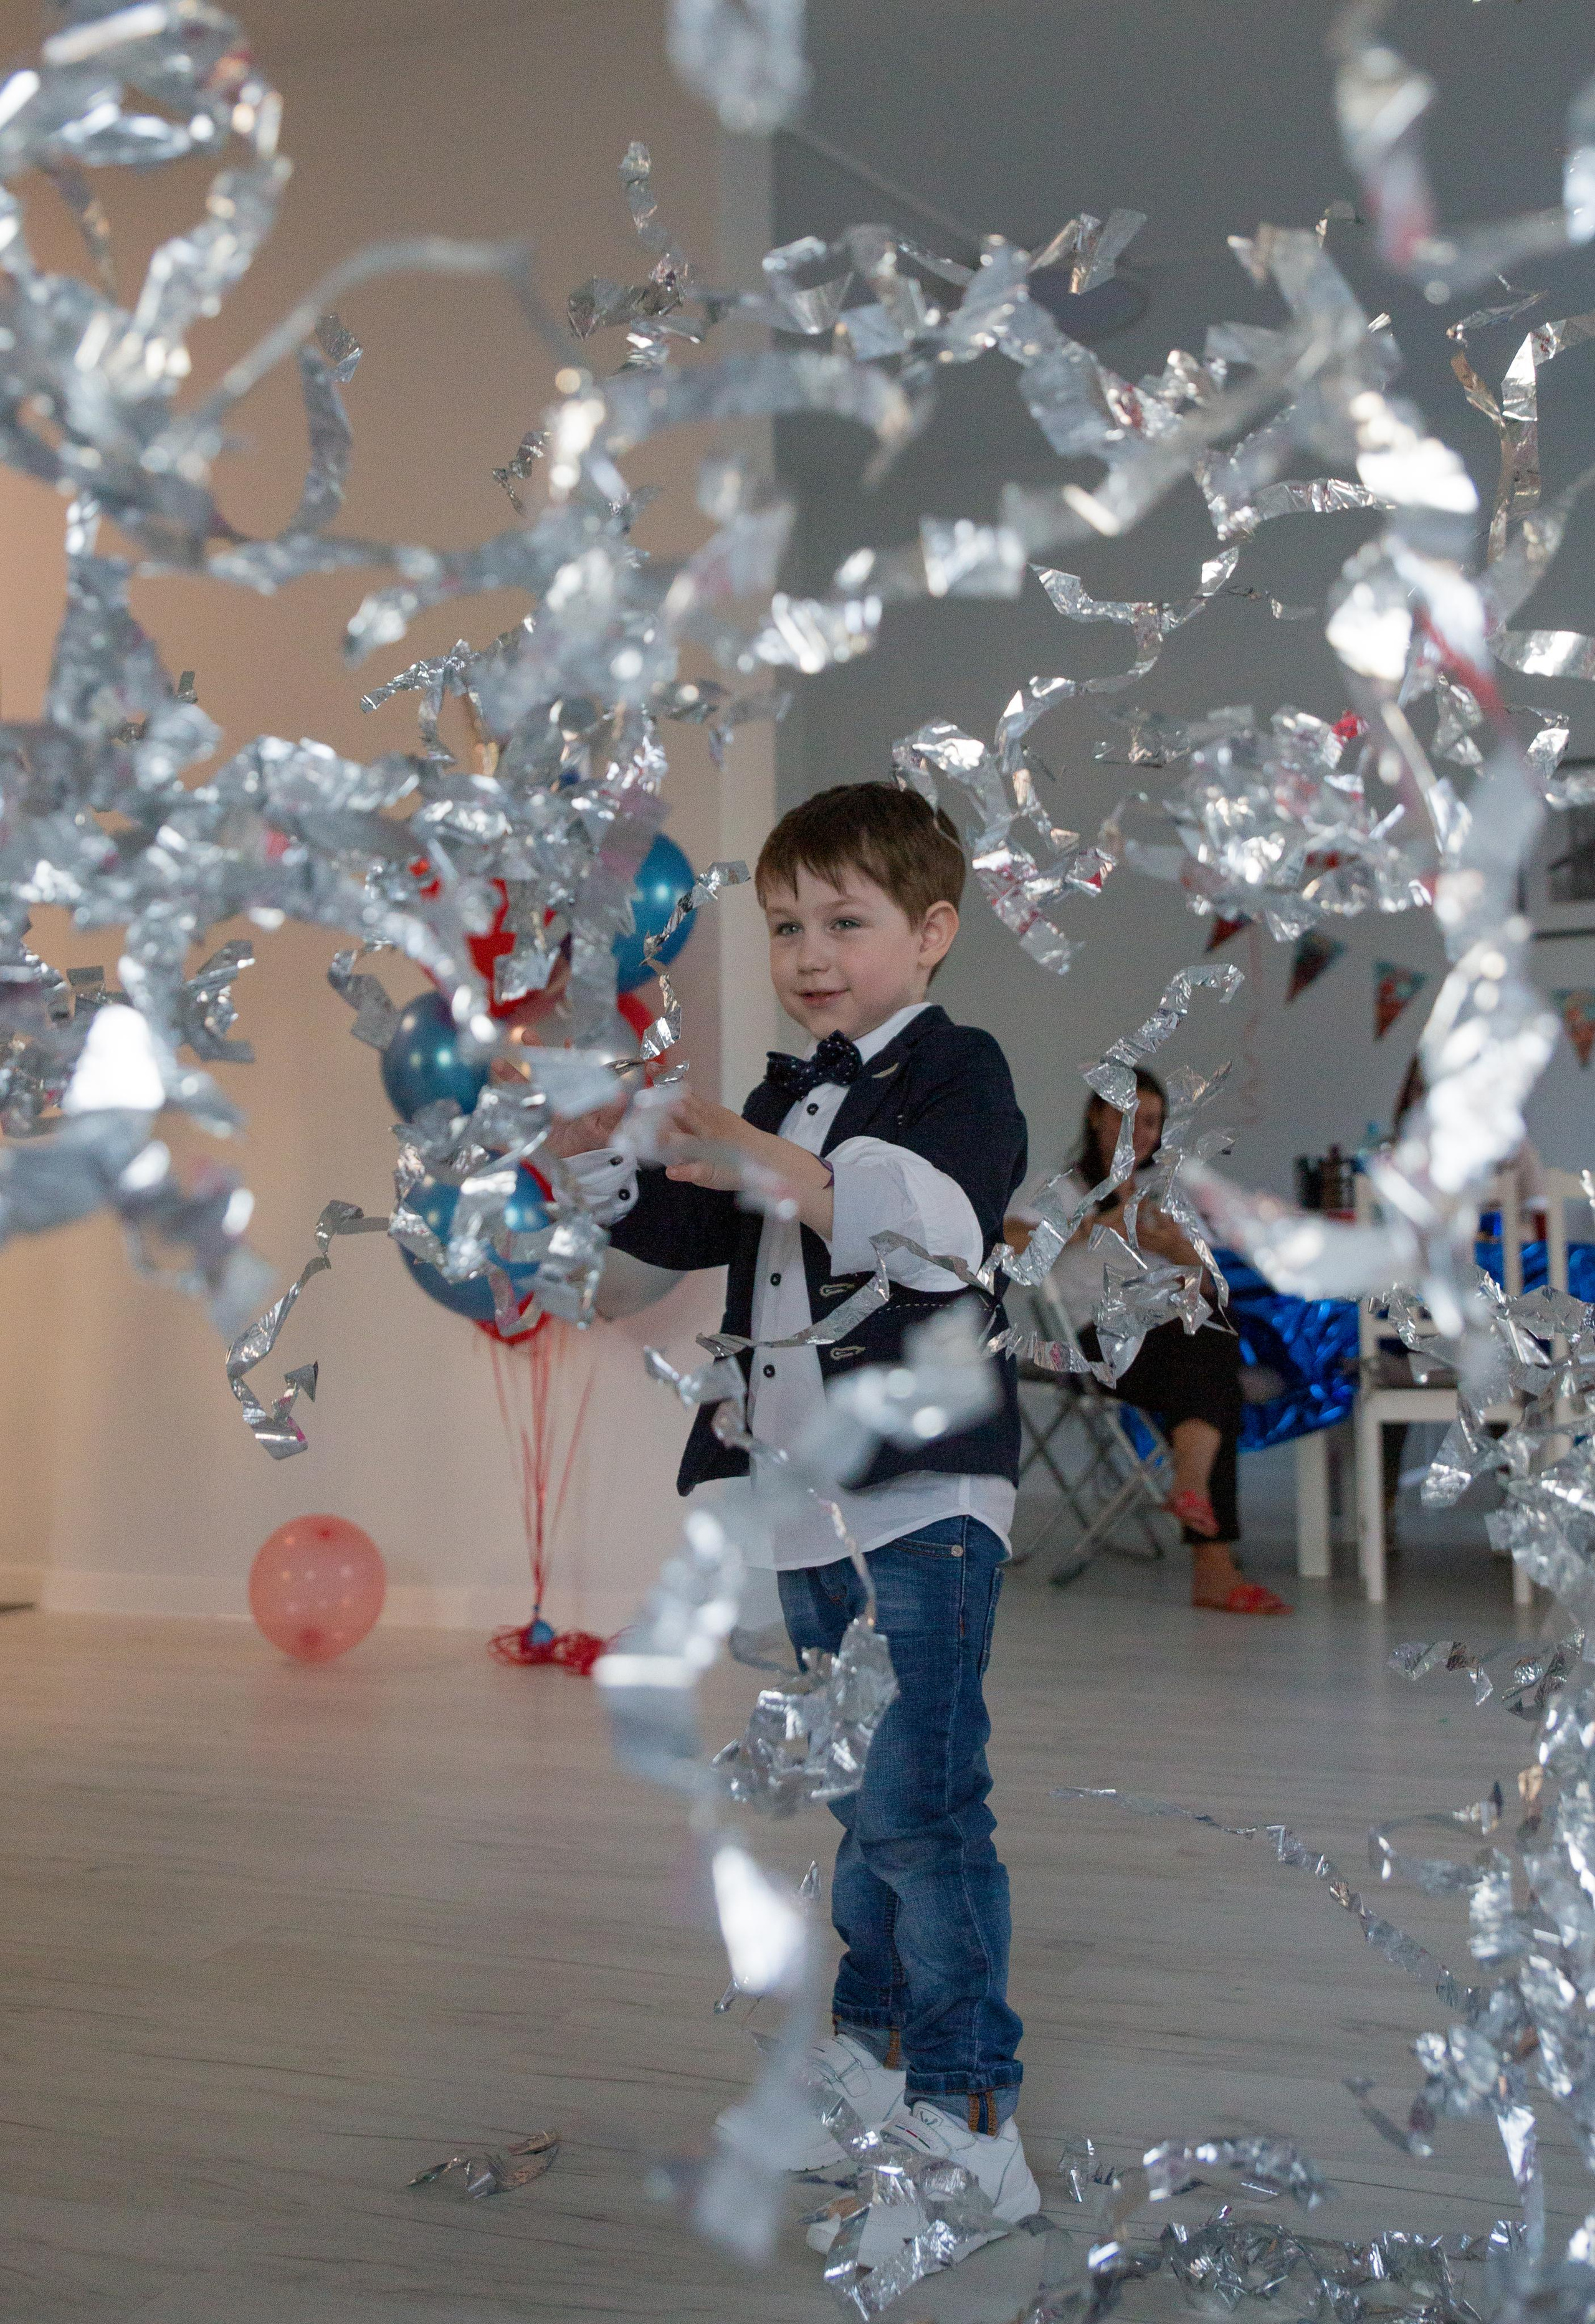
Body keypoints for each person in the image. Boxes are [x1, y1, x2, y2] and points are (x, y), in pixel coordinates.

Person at [545, 782, 1040, 2260]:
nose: (810, 951)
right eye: (783, 924)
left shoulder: (958, 1070)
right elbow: (684, 1229)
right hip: (806, 1494)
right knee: (855, 1785)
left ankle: (968, 2124)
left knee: (921, 1798)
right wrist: (611, 1161)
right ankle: (872, 2053)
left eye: (845, 920)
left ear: (930, 930)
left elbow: (939, 1223)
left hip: (922, 1484)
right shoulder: (783, 1092)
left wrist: (763, 1155)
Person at [1011, 1070, 1289, 1616]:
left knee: (1208, 1334)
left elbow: (1208, 1283)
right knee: (1212, 1355)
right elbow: (1012, 1240)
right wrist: (1095, 1227)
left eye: (1152, 1122)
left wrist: (1181, 1250)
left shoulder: (1169, 1192)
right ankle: (1209, 1555)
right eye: (1125, 1117)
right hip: (1097, 1343)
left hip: (1172, 1340)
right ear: (1097, 1116)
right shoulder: (1062, 1187)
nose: (1139, 1132)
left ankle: (1192, 1491)